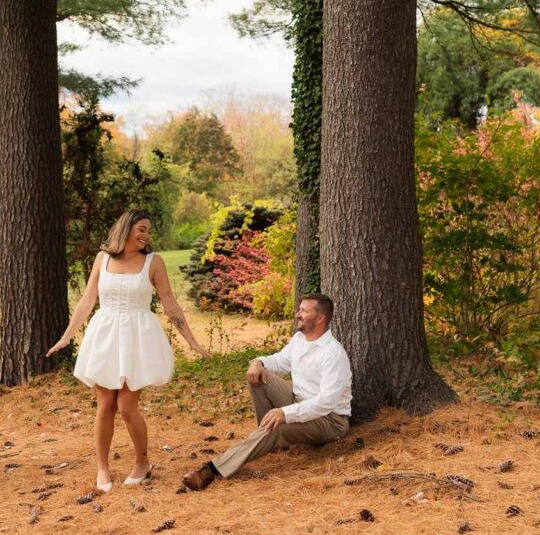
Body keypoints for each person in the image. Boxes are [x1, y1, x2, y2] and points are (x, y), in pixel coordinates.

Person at [47, 210, 209, 492]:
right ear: (126, 228)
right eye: (141, 228)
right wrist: (66, 337)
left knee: (126, 406)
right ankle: (102, 468)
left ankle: (142, 462)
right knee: (105, 405)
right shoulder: (102, 259)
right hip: (106, 336)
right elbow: (87, 301)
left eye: (148, 230)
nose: (146, 235)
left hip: (137, 338)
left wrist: (192, 341)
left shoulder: (153, 263)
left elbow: (169, 302)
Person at [181, 293, 351, 491]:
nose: (298, 314)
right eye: (299, 309)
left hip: (330, 421)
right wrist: (258, 362)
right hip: (298, 401)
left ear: (320, 318)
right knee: (259, 376)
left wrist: (286, 413)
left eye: (304, 311)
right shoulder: (299, 339)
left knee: (275, 427)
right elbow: (279, 362)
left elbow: (326, 402)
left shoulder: (333, 353)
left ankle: (210, 470)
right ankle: (267, 437)